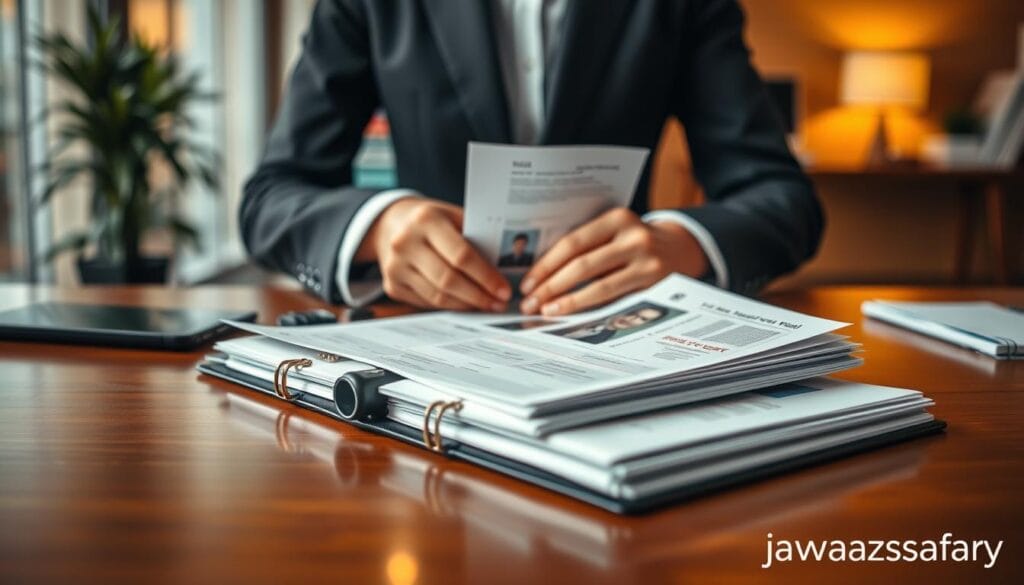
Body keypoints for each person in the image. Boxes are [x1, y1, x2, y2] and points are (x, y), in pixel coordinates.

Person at [241, 0, 823, 317]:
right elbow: (271, 198)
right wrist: (378, 227)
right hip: (422, 339)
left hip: (619, 333)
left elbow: (783, 199)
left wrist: (682, 245)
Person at [550, 304, 669, 345]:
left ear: (645, 324)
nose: (632, 319)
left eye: (642, 319)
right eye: (633, 313)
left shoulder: (601, 339)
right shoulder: (593, 312)